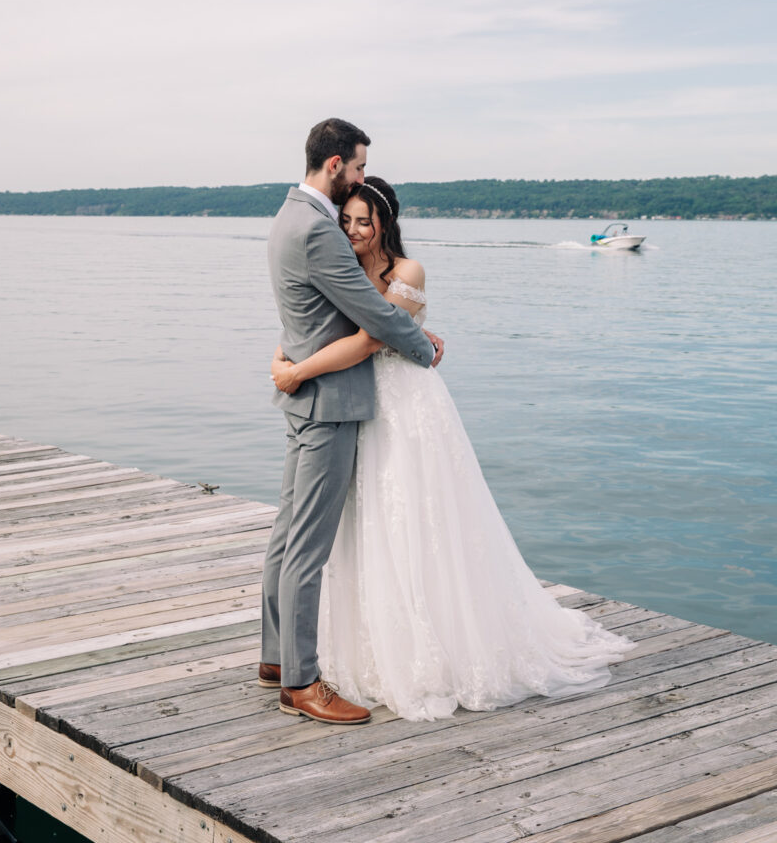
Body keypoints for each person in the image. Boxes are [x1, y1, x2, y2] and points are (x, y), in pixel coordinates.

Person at [271, 176, 636, 722]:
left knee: (420, 517)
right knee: (370, 523)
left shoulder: (407, 271)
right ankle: (338, 649)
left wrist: (297, 370)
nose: (352, 232)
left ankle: (435, 641)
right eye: (345, 221)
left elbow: (374, 336)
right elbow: (314, 323)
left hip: (406, 407)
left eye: (363, 222)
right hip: (360, 406)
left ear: (385, 225)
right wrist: (284, 357)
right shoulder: (342, 267)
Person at [261, 120, 444, 726]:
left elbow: (310, 313)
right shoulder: (318, 228)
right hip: (329, 403)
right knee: (307, 548)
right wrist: (423, 347)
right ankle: (302, 682)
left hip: (305, 395)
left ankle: (276, 657)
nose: (363, 178)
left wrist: (289, 365)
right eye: (360, 166)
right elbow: (370, 314)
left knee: (287, 536)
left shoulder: (288, 215)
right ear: (336, 163)